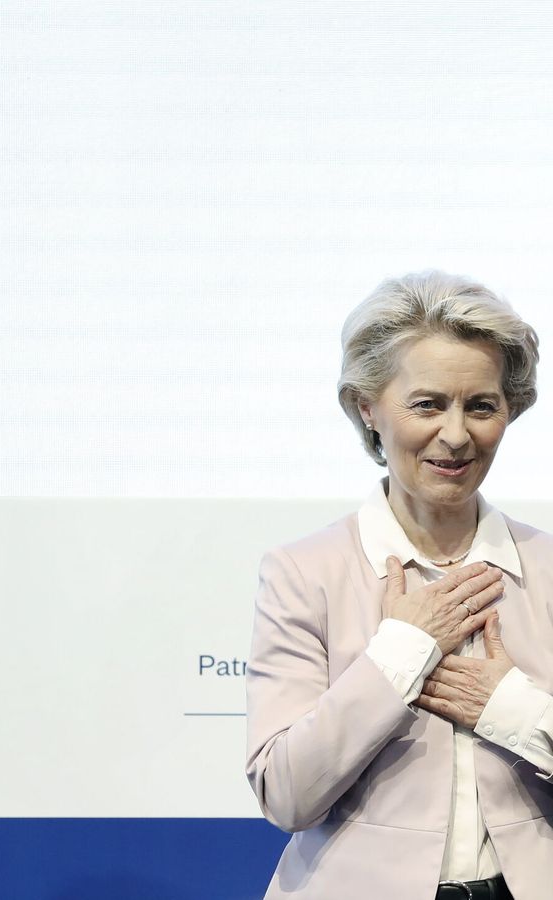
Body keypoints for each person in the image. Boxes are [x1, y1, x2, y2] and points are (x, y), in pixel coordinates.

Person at [246, 271, 553, 900]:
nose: (457, 434)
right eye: (427, 404)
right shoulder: (304, 571)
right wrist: (400, 652)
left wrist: (514, 711)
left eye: (482, 405)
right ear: (367, 406)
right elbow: (286, 793)